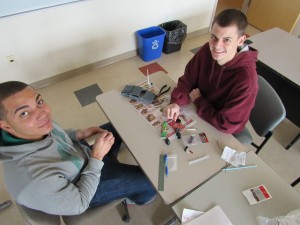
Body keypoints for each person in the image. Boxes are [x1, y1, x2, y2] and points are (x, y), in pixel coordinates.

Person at [0, 81, 156, 215]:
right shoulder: (33, 181)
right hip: (84, 187)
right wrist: (97, 159)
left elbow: (56, 137)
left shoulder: (33, 128)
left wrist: (78, 134)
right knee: (151, 181)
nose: (43, 114)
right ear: (5, 125)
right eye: (24, 113)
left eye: (39, 102)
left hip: (83, 157)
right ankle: (138, 197)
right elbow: (79, 204)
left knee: (120, 123)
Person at [164, 9, 258, 134]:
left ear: (241, 40)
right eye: (214, 37)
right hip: (199, 111)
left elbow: (226, 125)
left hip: (220, 128)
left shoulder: (246, 81)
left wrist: (199, 100)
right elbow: (188, 79)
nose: (216, 46)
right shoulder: (205, 51)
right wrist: (176, 102)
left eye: (226, 40)